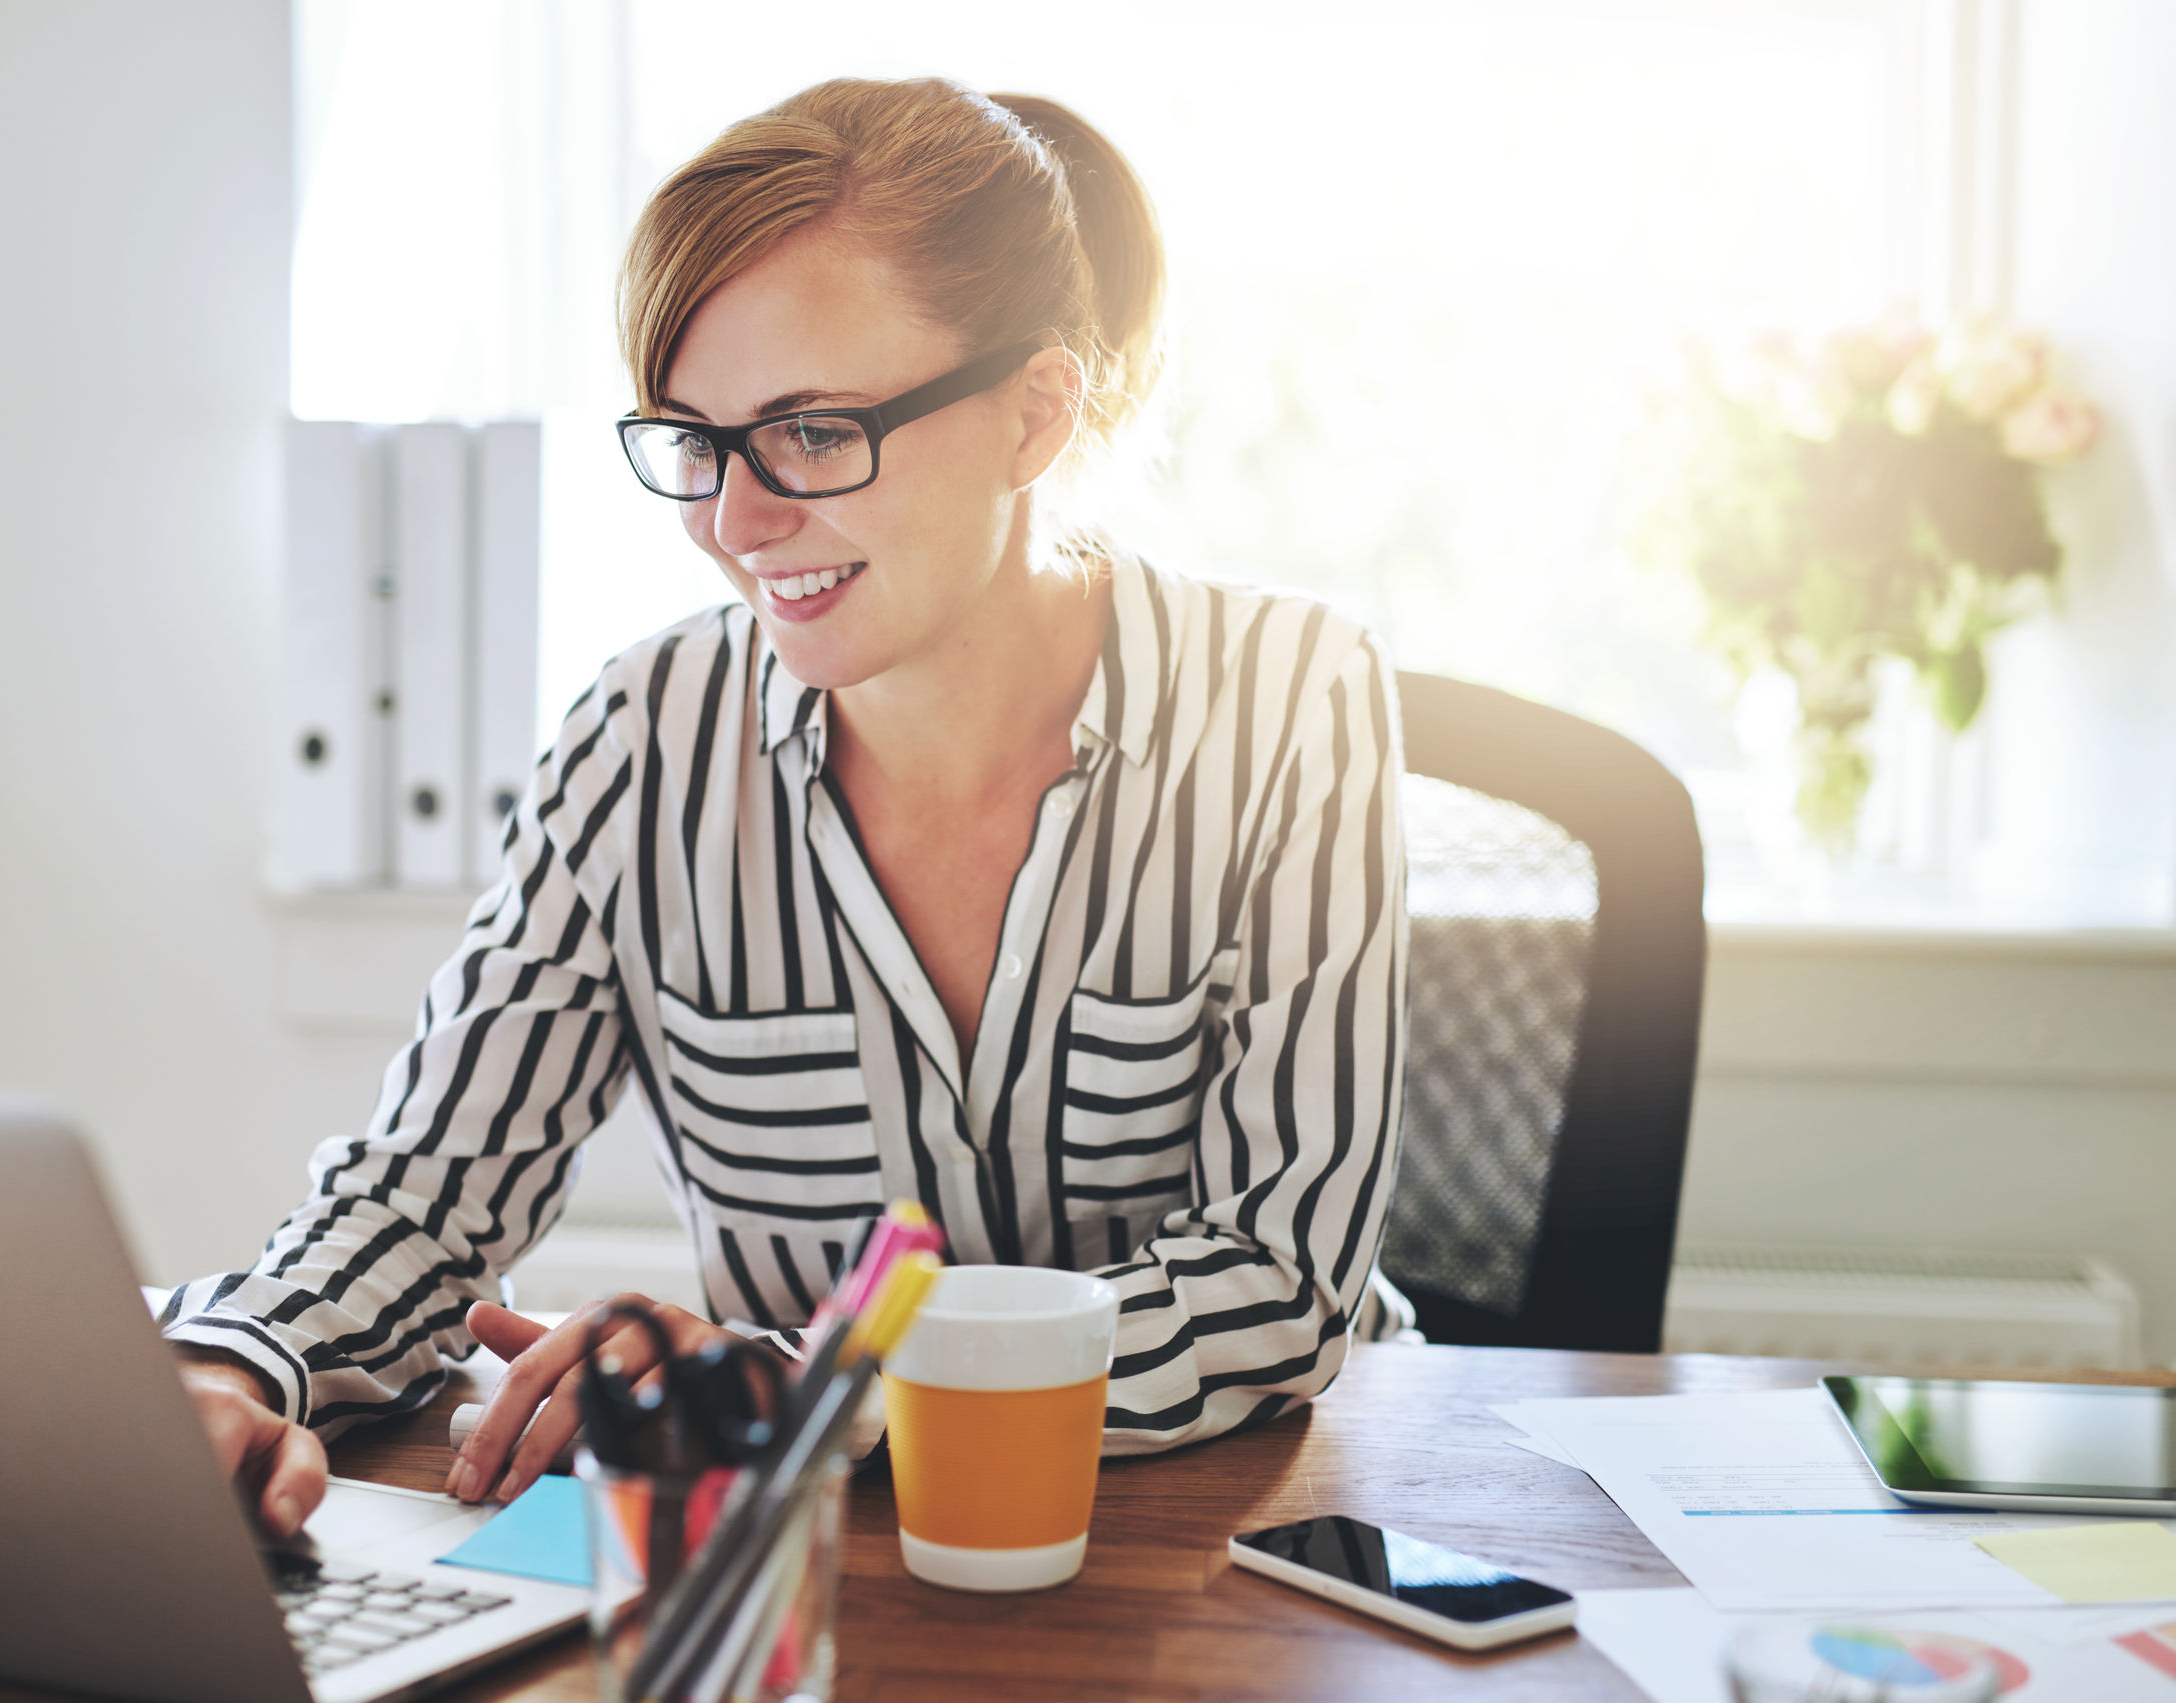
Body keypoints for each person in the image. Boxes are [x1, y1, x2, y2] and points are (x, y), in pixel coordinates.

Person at [165, 75, 1407, 1537]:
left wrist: (814, 1384)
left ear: (1034, 412)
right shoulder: (644, 739)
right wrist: (222, 1366)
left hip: (1227, 1552)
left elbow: (1279, 1277)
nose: (736, 525)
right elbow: (423, 1198)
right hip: (815, 1580)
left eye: (813, 432)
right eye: (694, 441)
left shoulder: (1288, 695)